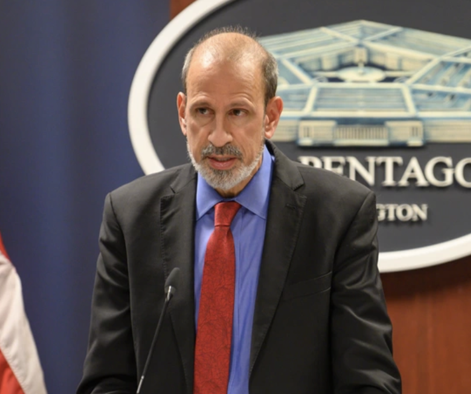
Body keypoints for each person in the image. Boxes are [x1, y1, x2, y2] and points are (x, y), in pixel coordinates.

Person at [78, 27, 401, 394]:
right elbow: (106, 380)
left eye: (237, 112)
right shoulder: (130, 216)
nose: (218, 137)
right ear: (183, 113)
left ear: (270, 117)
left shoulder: (338, 215)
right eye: (203, 111)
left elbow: (370, 381)